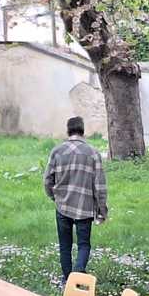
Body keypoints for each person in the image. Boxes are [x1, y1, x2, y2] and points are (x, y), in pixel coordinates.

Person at [44, 116, 108, 284]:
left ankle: (67, 280)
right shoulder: (93, 153)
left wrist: (54, 197)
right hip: (85, 206)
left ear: (68, 130)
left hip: (62, 205)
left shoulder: (57, 151)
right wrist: (102, 208)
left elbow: (47, 180)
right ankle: (77, 275)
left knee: (65, 245)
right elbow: (100, 185)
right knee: (84, 244)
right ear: (83, 131)